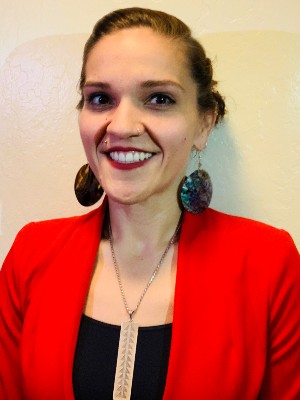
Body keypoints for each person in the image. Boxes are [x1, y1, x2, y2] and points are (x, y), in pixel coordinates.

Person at [0, 7, 299, 400]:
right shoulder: (31, 254)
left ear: (204, 124)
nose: (121, 127)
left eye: (159, 98)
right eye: (100, 98)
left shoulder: (268, 264)